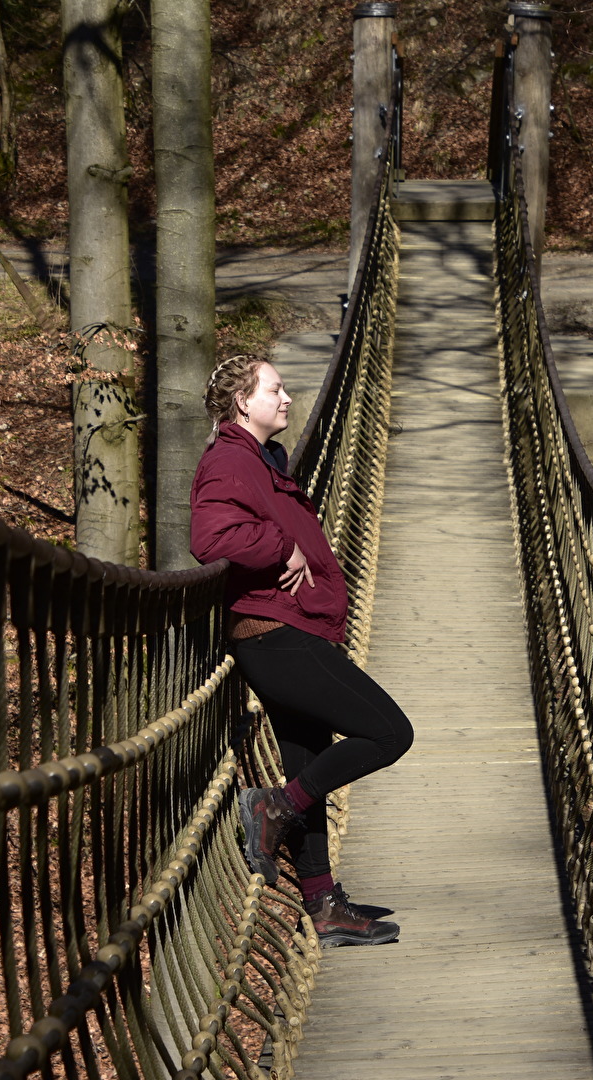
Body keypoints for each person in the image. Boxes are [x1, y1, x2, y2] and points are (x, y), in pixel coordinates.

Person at [190, 354, 413, 947]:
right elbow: (208, 536)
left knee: (309, 764)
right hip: (276, 635)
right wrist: (278, 544)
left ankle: (323, 907)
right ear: (243, 402)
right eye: (275, 389)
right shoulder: (231, 459)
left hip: (291, 629)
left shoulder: (262, 460)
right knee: (390, 733)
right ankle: (271, 809)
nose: (287, 398)